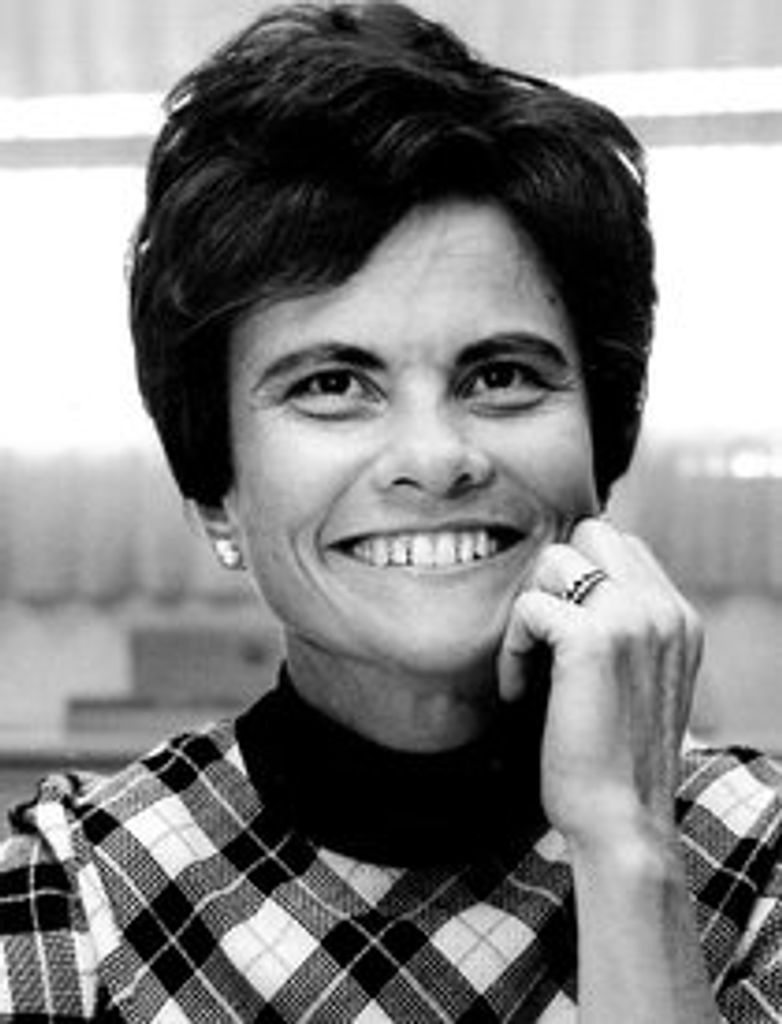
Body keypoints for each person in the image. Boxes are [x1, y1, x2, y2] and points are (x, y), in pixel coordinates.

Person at [1, 2, 780, 1020]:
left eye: (500, 375)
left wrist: (628, 848)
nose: (435, 457)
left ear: (602, 439)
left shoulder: (758, 859)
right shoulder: (70, 900)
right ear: (215, 491)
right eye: (331, 385)